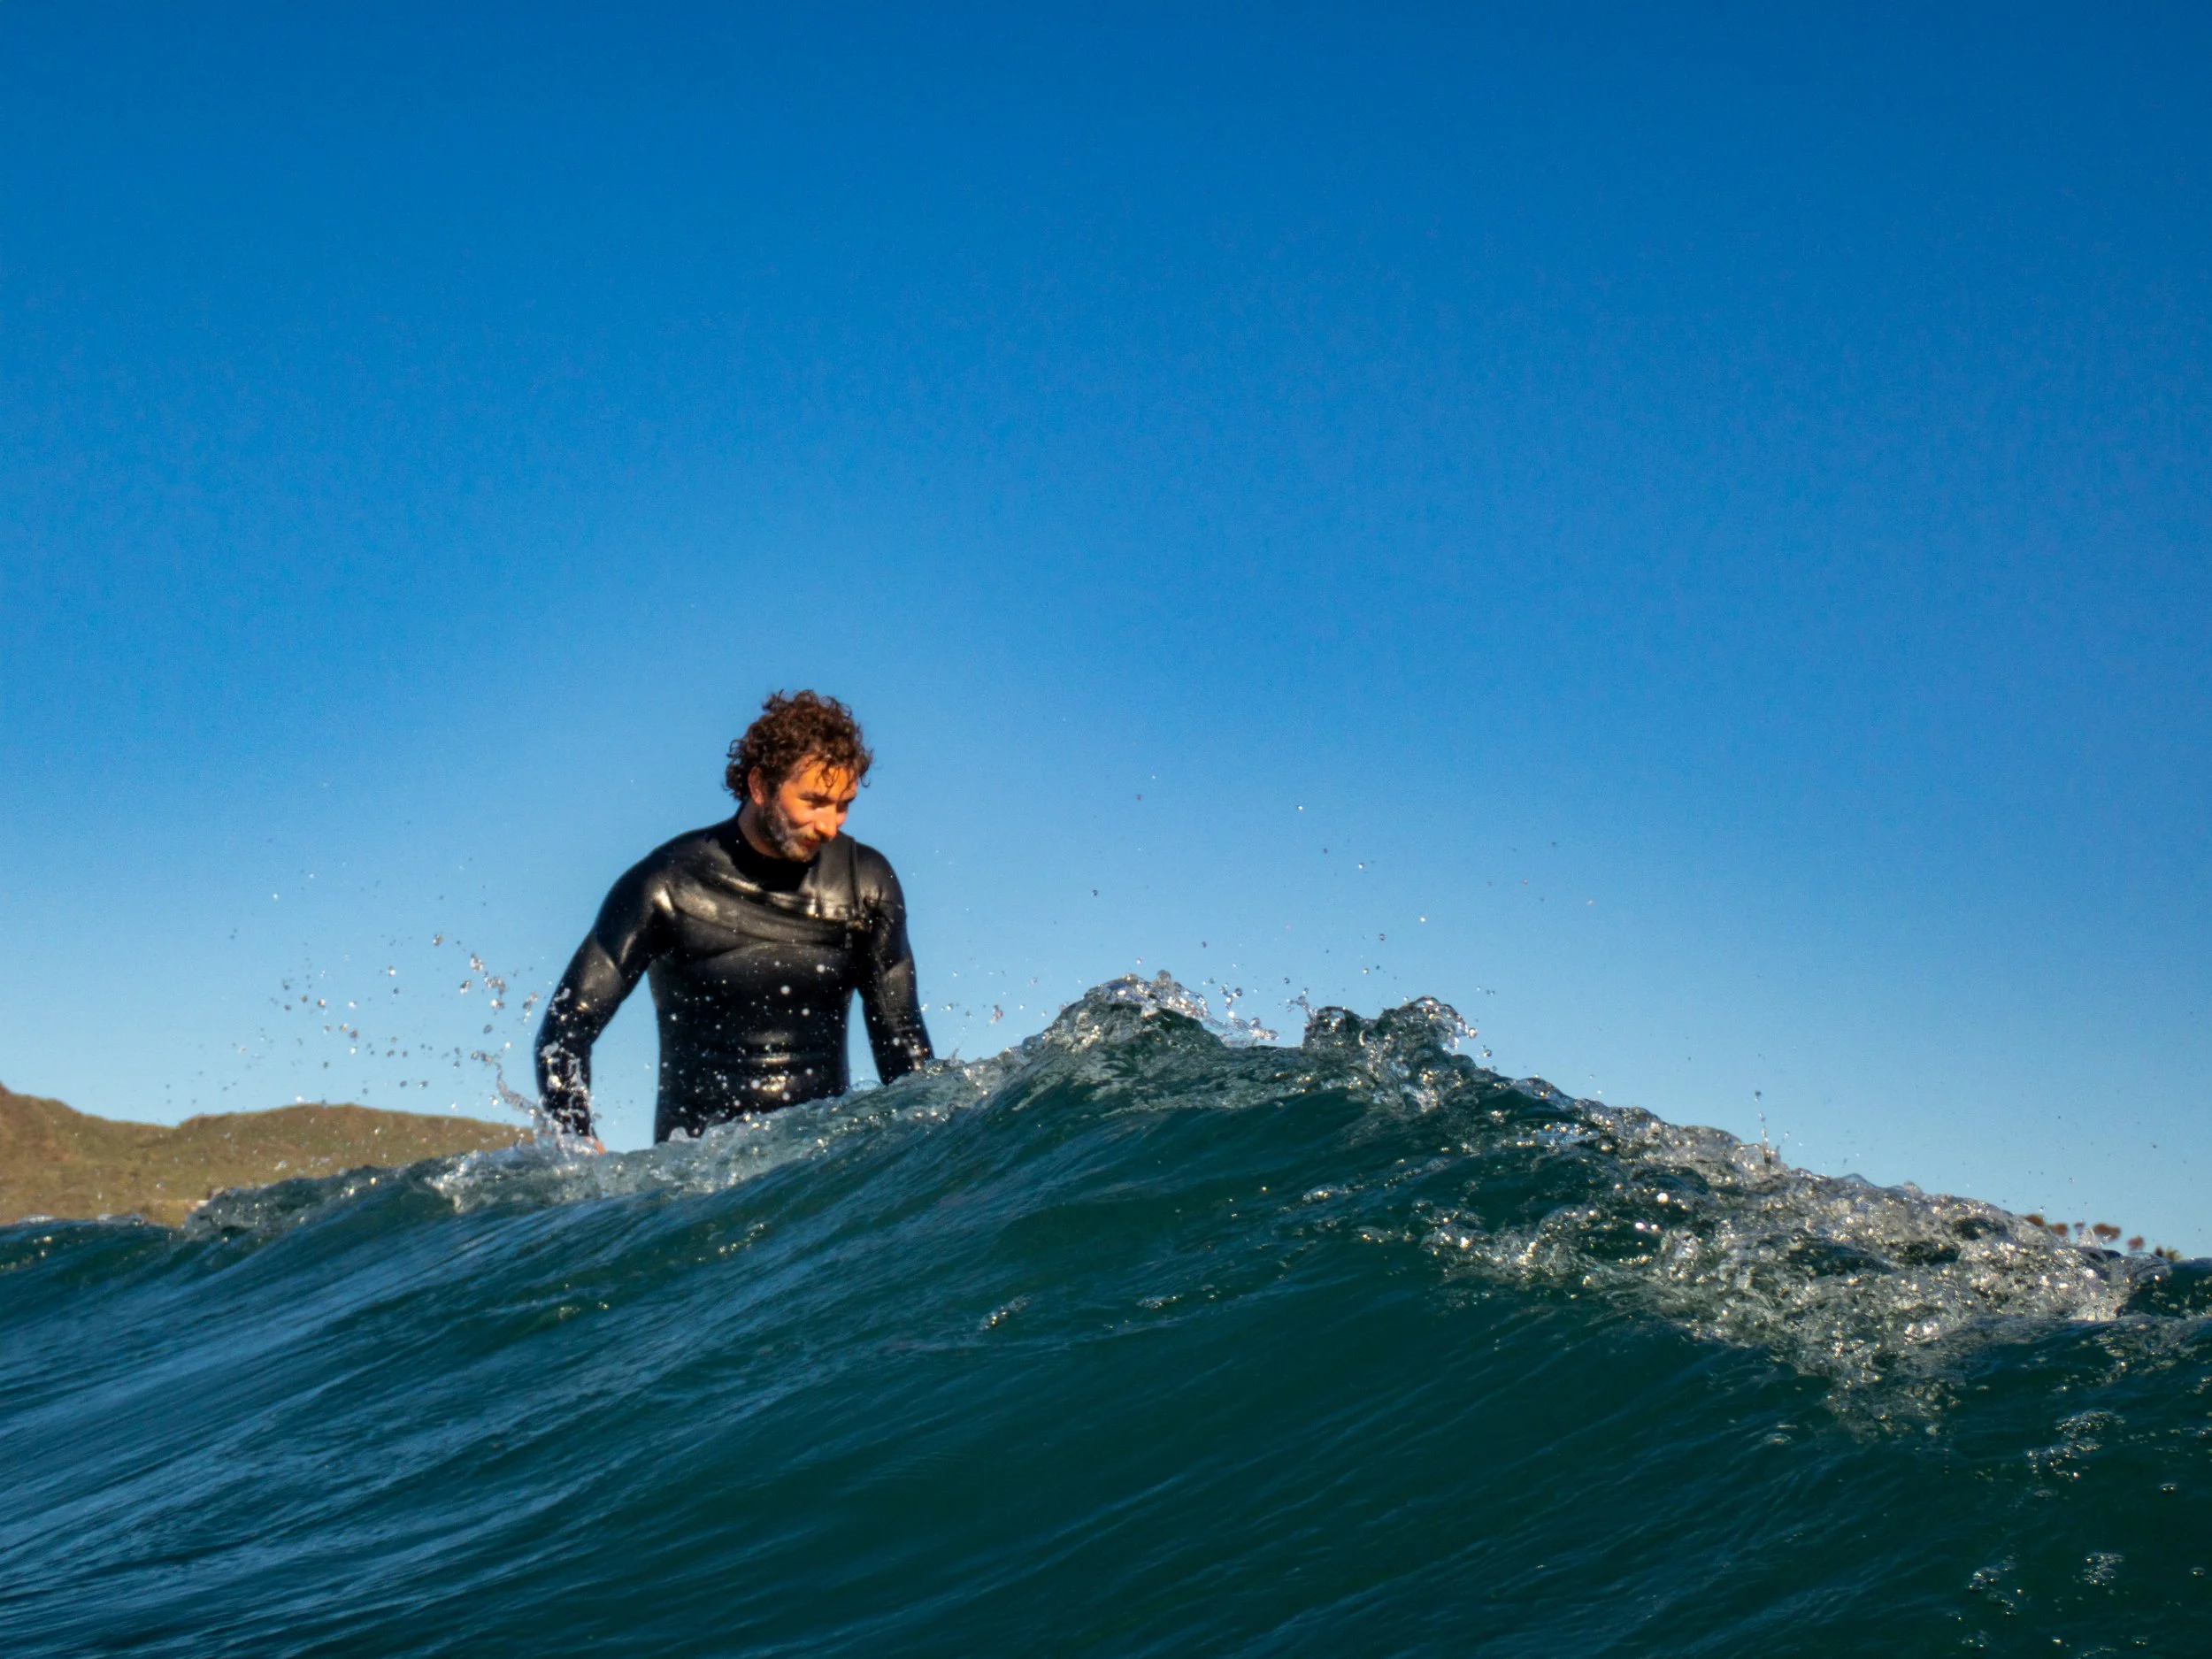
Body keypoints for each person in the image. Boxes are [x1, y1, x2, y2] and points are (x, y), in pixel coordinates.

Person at [534, 690, 933, 1144]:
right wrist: (578, 1140)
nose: (830, 825)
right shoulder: (667, 885)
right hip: (701, 1179)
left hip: (823, 1172)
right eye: (814, 801)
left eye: (843, 805)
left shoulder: (865, 883)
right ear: (760, 786)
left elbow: (902, 1043)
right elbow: (564, 1030)